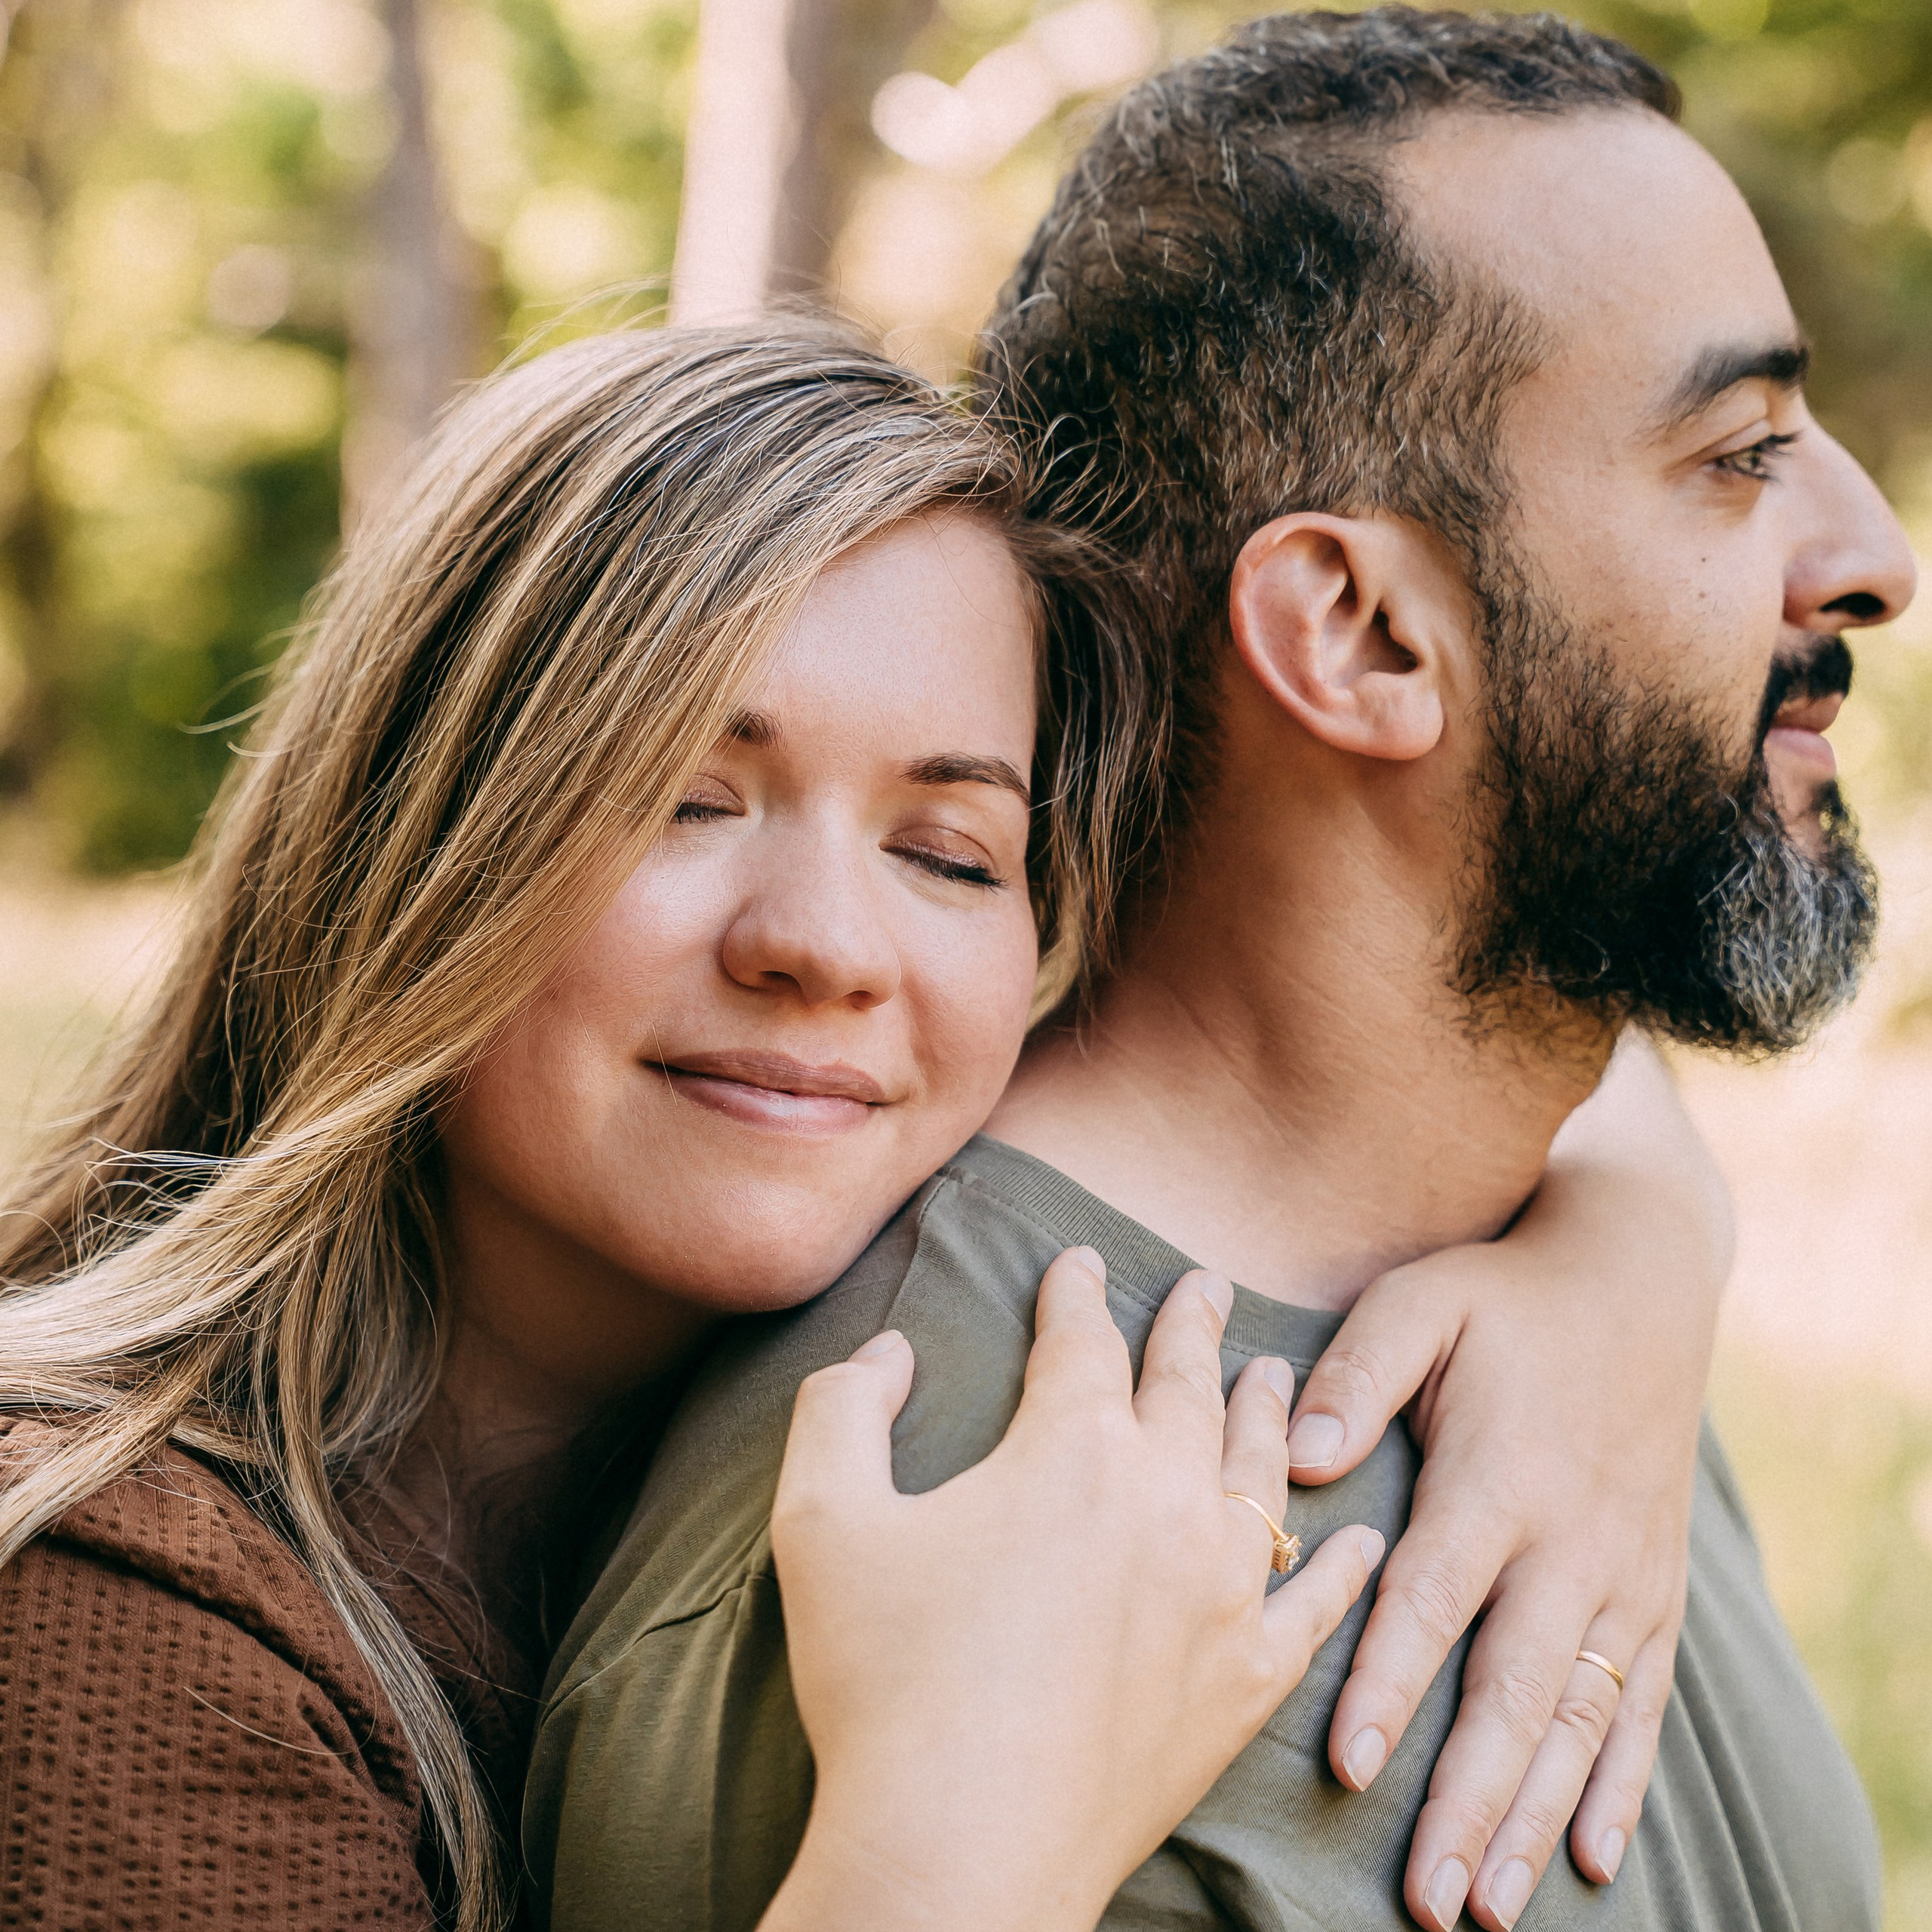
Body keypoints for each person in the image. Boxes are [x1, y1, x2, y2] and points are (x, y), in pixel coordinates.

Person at [0, 324, 1711, 1930]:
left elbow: (1461, 1034)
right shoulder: (98, 1611)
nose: (820, 943)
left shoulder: (834, 1369)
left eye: (951, 853)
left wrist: (1629, 1253)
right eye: (681, 795)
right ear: (414, 832)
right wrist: (962, 1825)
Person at [525, 11, 1915, 1932]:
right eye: (1736, 453)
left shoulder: (1549, 1314)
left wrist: (1637, 1239)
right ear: (1351, 634)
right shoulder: (926, 1519)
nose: (1869, 556)